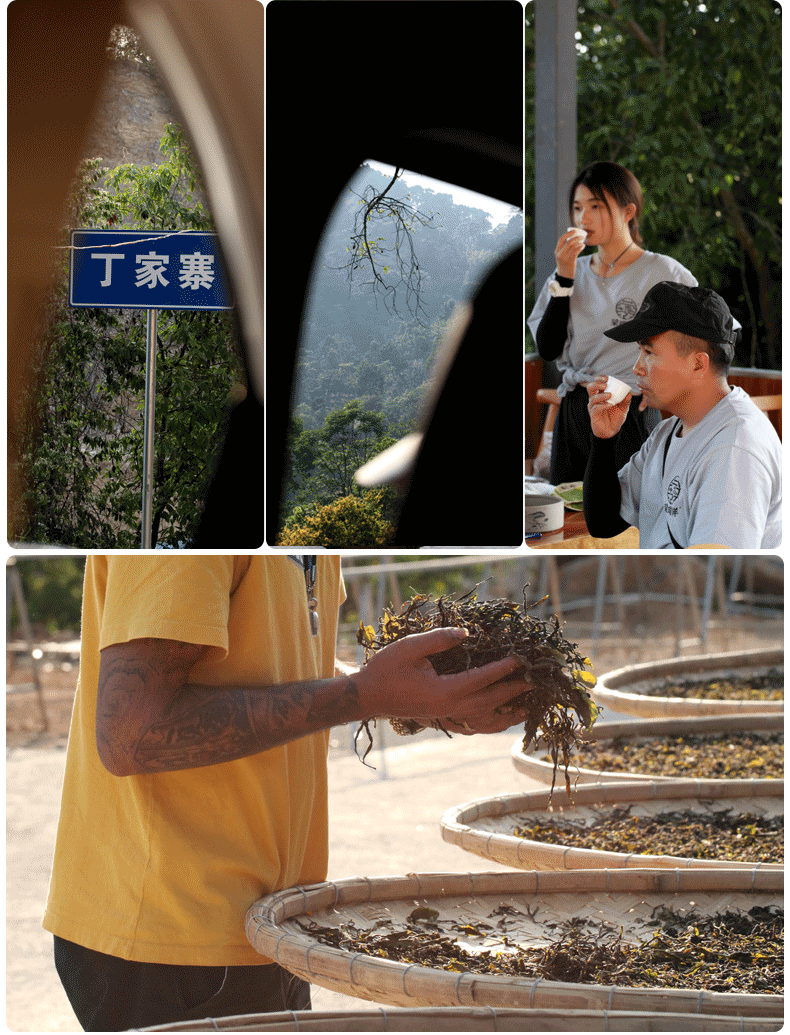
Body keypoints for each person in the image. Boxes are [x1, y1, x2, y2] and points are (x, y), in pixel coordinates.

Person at [43, 555, 531, 1031]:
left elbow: (282, 664)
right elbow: (133, 735)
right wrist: (365, 694)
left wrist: (406, 696)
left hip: (270, 918)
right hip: (170, 934)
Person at [527, 161, 698, 484]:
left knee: (626, 520)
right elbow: (548, 349)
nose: (583, 219)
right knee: (567, 516)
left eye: (596, 206)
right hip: (575, 408)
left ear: (628, 211)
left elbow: (709, 338)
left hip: (629, 409)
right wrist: (564, 275)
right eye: (577, 208)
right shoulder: (568, 272)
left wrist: (668, 389)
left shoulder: (663, 272)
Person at [583, 282, 781, 549]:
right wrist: (603, 440)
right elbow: (604, 524)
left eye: (649, 352)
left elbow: (716, 568)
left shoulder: (736, 448)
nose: (637, 367)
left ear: (698, 363)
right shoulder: (667, 432)